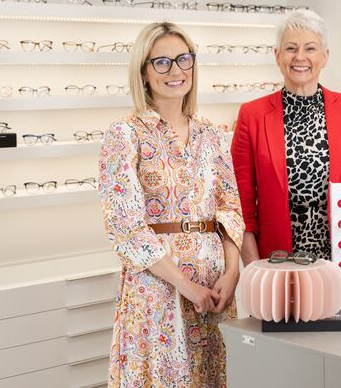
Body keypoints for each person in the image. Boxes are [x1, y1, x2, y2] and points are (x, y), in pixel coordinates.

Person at [99, 22, 244, 386]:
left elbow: (230, 208)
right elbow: (126, 228)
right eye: (161, 62)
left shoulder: (211, 133)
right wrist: (185, 285)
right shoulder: (124, 135)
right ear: (144, 72)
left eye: (183, 59)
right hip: (158, 291)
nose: (175, 70)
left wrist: (232, 273)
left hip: (215, 290)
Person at [231, 9, 341, 265]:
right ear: (277, 56)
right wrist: (255, 267)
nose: (300, 57)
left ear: (325, 56)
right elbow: (240, 203)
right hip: (276, 262)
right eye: (290, 48)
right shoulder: (251, 115)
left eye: (310, 48)